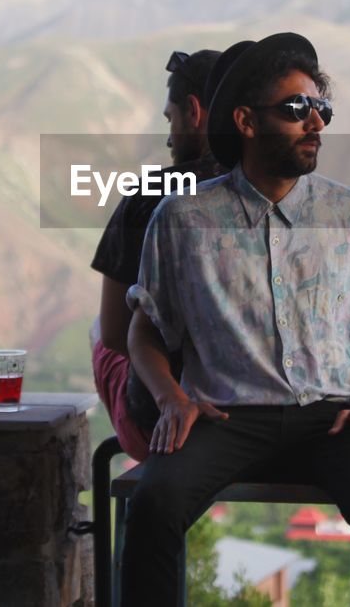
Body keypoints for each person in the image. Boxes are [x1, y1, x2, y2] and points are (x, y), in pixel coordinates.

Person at [123, 32, 350, 606]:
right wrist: (171, 399)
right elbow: (144, 329)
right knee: (153, 504)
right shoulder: (183, 218)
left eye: (321, 109)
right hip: (226, 417)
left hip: (334, 418)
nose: (315, 123)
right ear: (246, 121)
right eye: (296, 109)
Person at [89, 49, 225, 462]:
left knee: (100, 329)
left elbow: (116, 335)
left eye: (171, 119)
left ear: (195, 112)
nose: (169, 138)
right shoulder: (268, 192)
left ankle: (135, 512)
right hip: (250, 418)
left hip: (157, 424)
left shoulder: (150, 198)